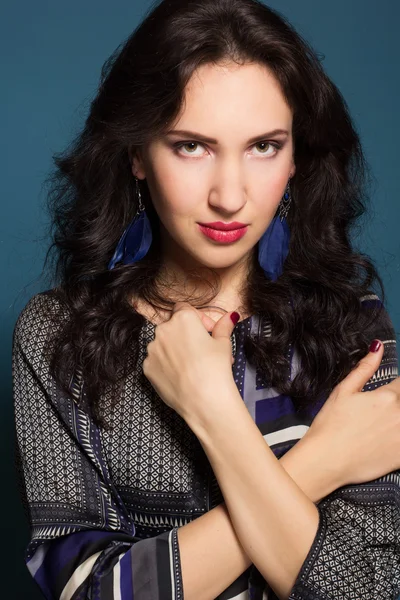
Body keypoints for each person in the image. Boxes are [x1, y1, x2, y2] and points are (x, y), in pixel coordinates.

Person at [12, 0, 400, 598]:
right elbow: (90, 591)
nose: (229, 196)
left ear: (296, 157)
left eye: (263, 146)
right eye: (192, 146)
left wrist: (213, 409)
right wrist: (322, 461)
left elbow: (365, 590)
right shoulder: (57, 335)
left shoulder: (355, 332)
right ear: (137, 154)